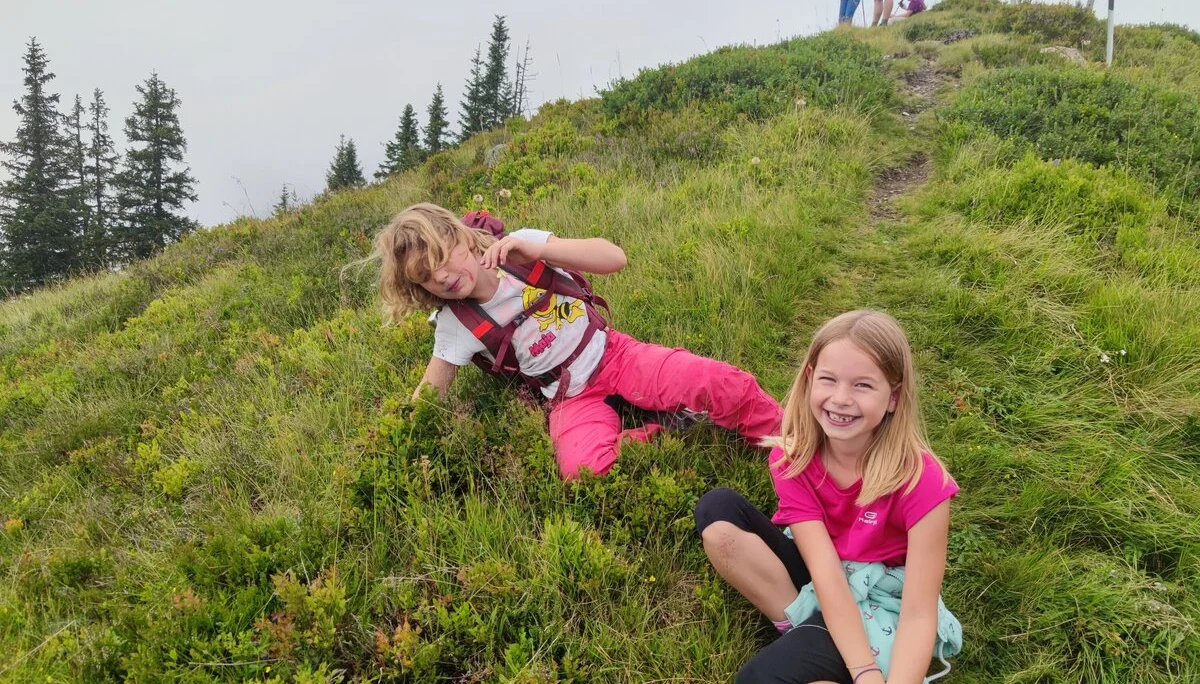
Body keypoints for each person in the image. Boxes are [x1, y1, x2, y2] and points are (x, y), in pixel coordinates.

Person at [359, 202, 782, 479]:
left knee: (723, 382)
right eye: (425, 276)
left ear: (462, 237)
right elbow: (431, 392)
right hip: (566, 398)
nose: (443, 277)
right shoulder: (455, 323)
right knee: (583, 473)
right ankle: (666, 425)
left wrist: (538, 251)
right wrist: (392, 445)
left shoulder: (521, 246)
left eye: (442, 257)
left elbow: (614, 258)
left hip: (615, 354)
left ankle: (788, 442)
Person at [694, 310, 961, 684]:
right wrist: (865, 670)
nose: (840, 399)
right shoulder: (792, 456)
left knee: (757, 678)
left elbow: (918, 614)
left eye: (863, 386)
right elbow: (825, 571)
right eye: (828, 380)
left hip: (881, 598)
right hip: (825, 577)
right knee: (717, 509)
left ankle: (825, 649)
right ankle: (814, 636)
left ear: (893, 398)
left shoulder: (923, 481)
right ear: (809, 380)